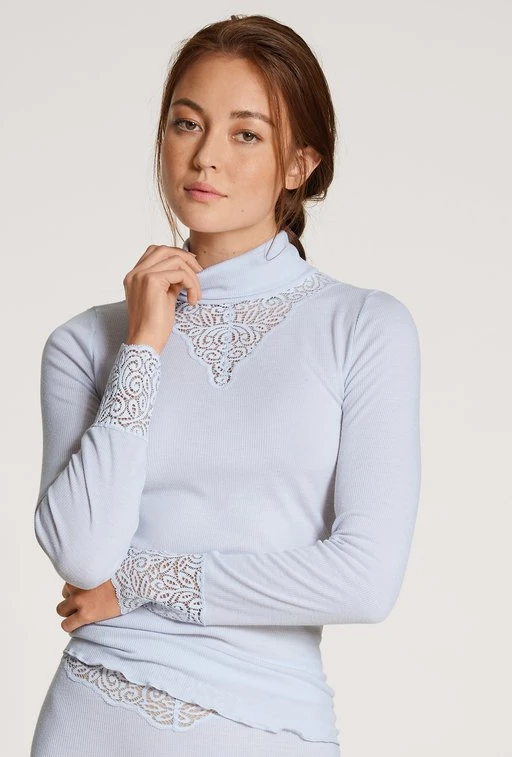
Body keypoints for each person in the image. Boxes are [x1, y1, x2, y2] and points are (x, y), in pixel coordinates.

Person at [30, 13, 421, 757]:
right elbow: (83, 554)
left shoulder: (363, 327)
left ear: (299, 164)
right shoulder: (85, 343)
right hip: (94, 718)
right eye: (187, 124)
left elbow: (365, 580)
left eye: (246, 134)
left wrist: (140, 582)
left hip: (269, 726)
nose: (206, 156)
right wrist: (143, 347)